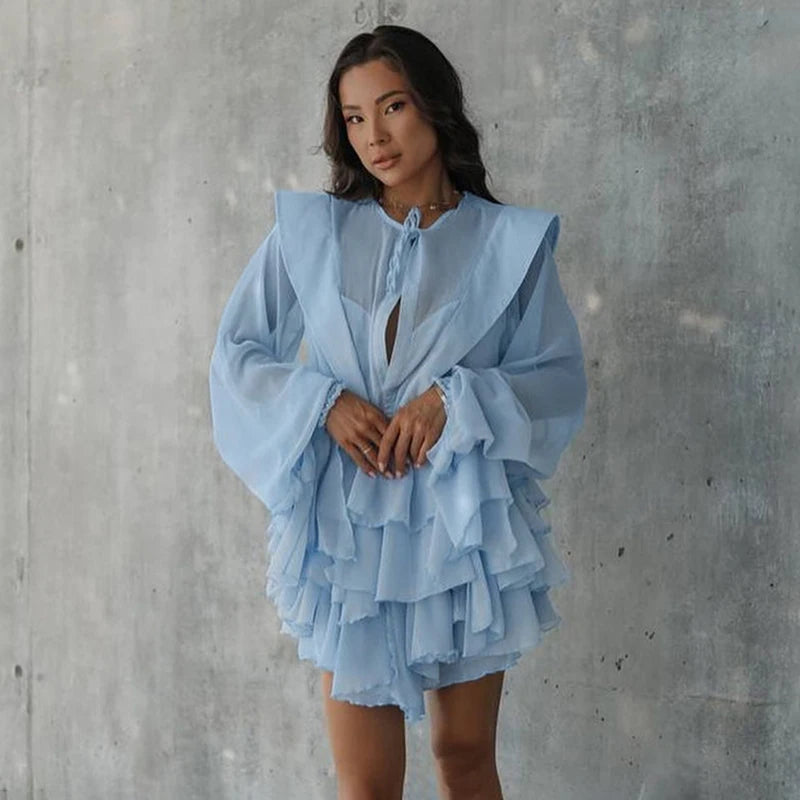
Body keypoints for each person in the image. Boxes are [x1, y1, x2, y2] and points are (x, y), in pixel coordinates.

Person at [209, 24, 588, 800]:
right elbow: (237, 354)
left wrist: (454, 399)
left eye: (392, 107)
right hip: (347, 532)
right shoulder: (312, 233)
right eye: (354, 117)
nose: (373, 137)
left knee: (464, 758)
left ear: (434, 105)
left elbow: (556, 380)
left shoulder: (509, 244)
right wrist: (321, 401)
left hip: (462, 526)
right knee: (366, 784)